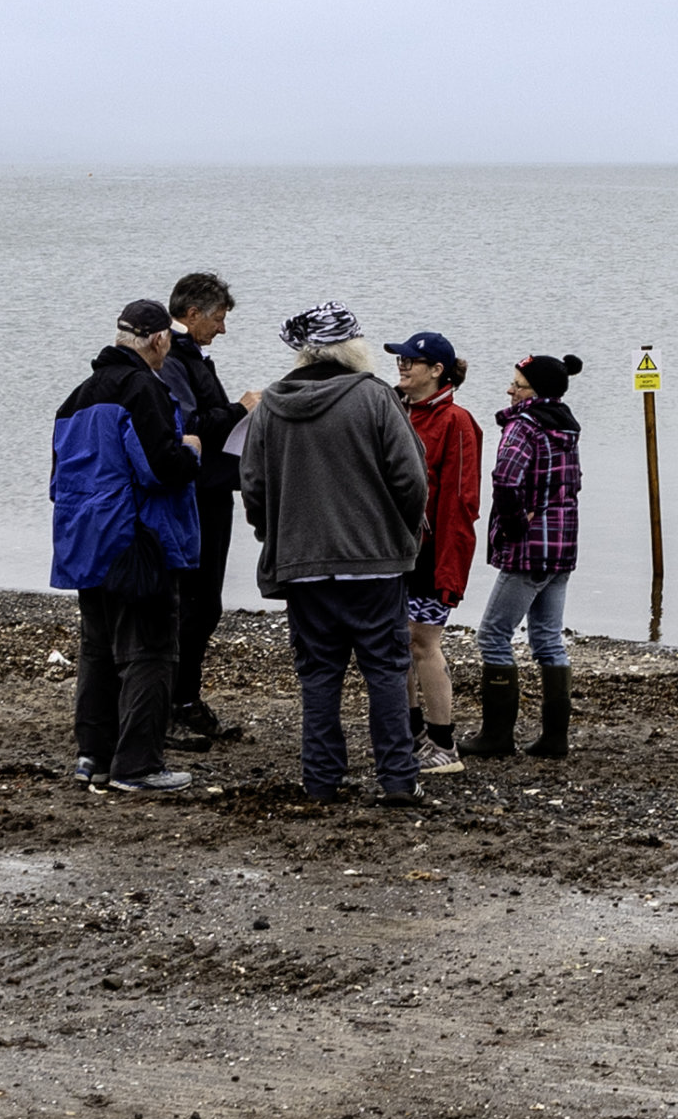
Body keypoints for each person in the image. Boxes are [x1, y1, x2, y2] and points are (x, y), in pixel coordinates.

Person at [235, 304, 436, 807]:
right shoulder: (375, 397)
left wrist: (275, 536)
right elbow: (411, 478)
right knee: (385, 671)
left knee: (319, 675)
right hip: (374, 564)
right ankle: (398, 779)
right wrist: (402, 534)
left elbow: (252, 485)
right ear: (353, 348)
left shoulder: (271, 405)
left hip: (303, 564)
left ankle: (321, 781)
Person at [48, 299, 205, 795]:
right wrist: (191, 451)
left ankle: (93, 757)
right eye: (168, 342)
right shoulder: (143, 388)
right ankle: (137, 765)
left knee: (98, 649)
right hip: (136, 540)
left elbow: (57, 481)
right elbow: (159, 469)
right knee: (151, 651)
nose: (167, 351)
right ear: (158, 339)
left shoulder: (75, 398)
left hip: (83, 540)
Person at [155, 272, 257, 751]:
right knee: (194, 603)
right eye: (218, 319)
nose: (222, 328)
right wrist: (240, 410)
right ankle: (175, 701)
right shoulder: (174, 358)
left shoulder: (187, 355)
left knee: (202, 603)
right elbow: (188, 423)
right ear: (192, 314)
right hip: (195, 493)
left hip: (211, 489)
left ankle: (183, 697)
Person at [474, 354, 586, 758]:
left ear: (536, 392)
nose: (510, 390)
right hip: (563, 546)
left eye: (518, 384)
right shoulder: (567, 427)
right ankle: (554, 739)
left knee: (492, 636)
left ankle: (496, 737)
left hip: (529, 549)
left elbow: (506, 480)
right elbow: (572, 484)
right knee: (548, 640)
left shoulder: (524, 425)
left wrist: (515, 527)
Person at [386, 330, 483, 775]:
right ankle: (411, 733)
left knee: (422, 642)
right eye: (400, 359)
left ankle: (444, 743)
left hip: (431, 553)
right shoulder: (395, 410)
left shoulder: (456, 421)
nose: (402, 366)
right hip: (390, 550)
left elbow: (462, 502)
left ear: (437, 370)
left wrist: (450, 571)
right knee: (395, 641)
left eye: (411, 361)